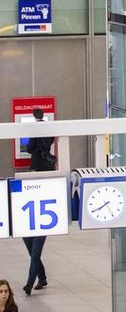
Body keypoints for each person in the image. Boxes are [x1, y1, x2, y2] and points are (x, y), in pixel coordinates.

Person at [22, 109, 52, 298]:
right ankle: (42, 277)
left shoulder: (33, 129)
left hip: (36, 164)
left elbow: (31, 148)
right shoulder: (49, 128)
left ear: (34, 116)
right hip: (47, 165)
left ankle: (29, 284)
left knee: (34, 254)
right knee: (34, 254)